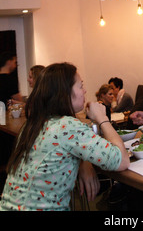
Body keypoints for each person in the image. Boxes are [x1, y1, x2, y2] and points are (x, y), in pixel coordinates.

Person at [0, 62, 129, 211]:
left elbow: (60, 149)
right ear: (65, 92)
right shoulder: (67, 126)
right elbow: (122, 161)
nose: (85, 90)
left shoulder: (32, 125)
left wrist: (84, 163)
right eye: (80, 86)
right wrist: (102, 118)